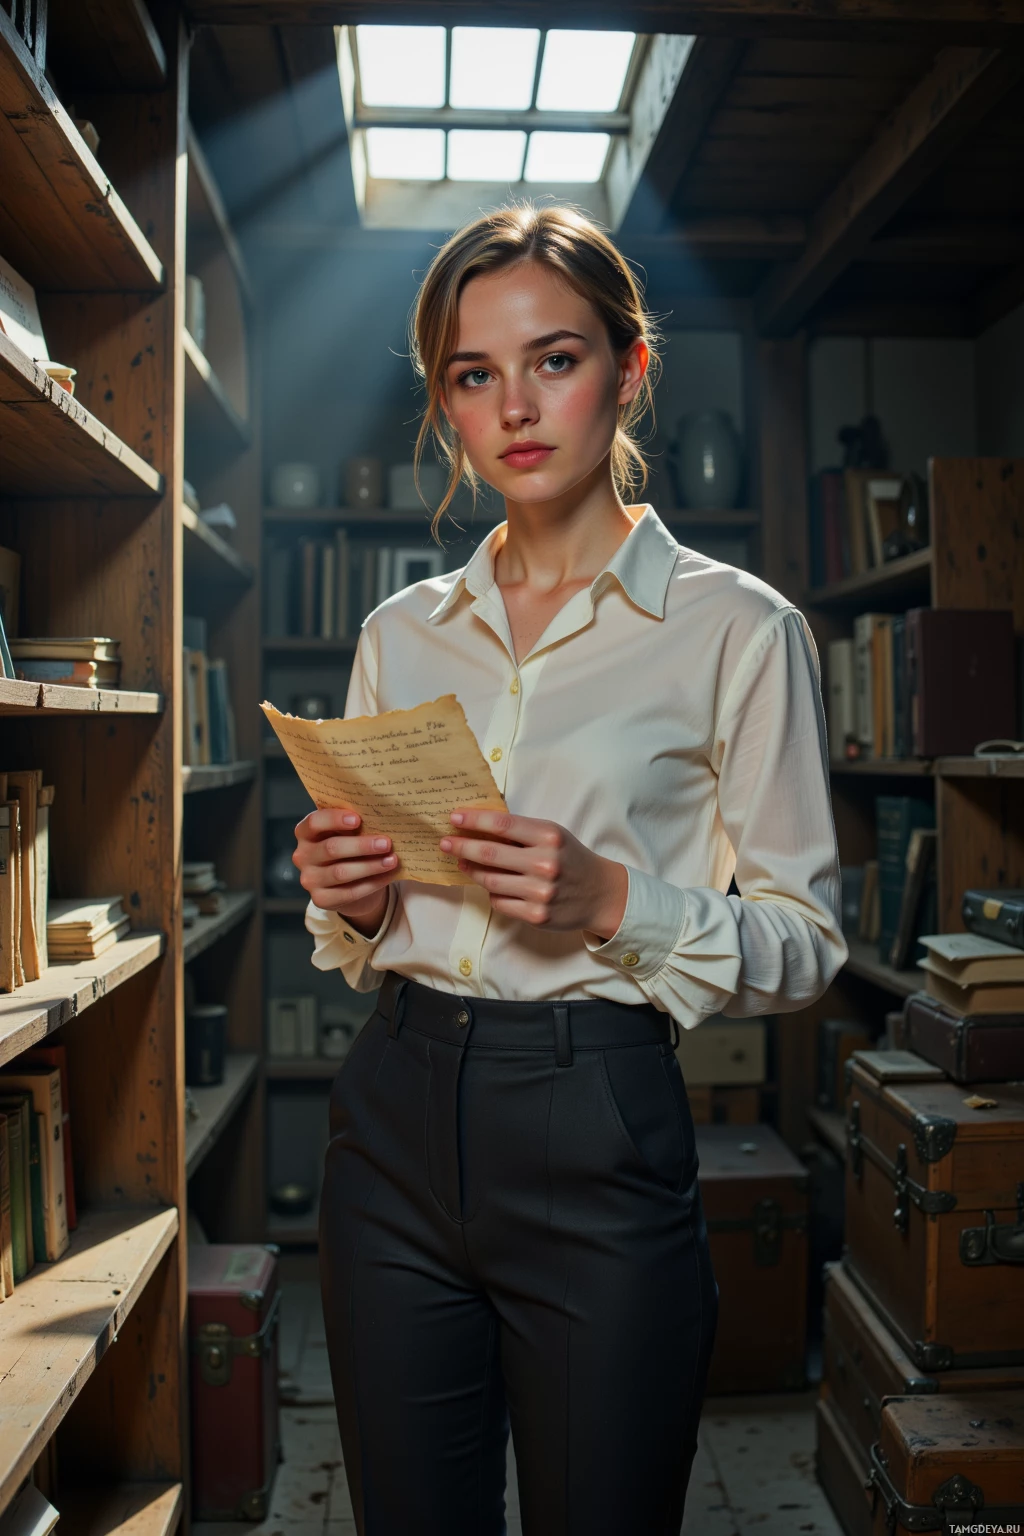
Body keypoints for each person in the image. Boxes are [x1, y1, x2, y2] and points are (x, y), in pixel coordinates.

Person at [293, 203, 848, 1536]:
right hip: (392, 1122)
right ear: (446, 405)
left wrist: (615, 903)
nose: (516, 406)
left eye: (556, 358)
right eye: (474, 375)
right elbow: (367, 932)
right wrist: (357, 902)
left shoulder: (738, 630)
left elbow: (810, 943)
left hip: (600, 1120)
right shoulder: (397, 636)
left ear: (630, 367)